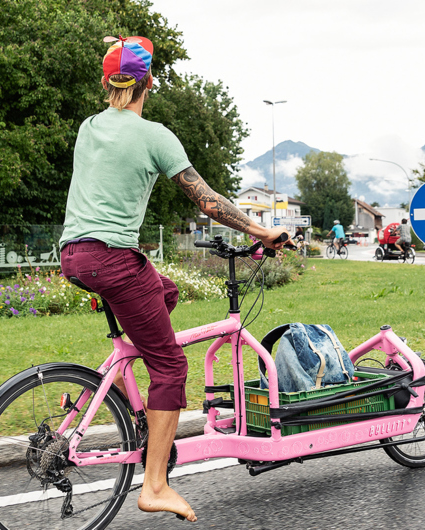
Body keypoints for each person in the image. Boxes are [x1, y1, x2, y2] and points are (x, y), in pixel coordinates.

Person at [58, 35, 290, 523]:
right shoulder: (154, 136)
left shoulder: (88, 127)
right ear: (148, 85)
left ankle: (119, 388)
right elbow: (207, 200)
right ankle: (156, 484)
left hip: (75, 255)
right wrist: (260, 230)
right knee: (171, 368)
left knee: (165, 291)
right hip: (114, 258)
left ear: (106, 83)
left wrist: (120, 47)